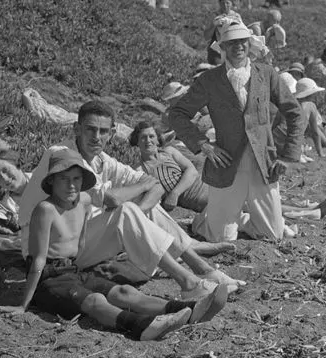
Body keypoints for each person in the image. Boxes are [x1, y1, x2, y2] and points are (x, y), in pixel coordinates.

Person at [0, 148, 228, 340]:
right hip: (48, 279)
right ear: (52, 182)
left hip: (73, 270)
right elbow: (37, 260)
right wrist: (23, 304)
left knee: (123, 291)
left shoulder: (85, 201)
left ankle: (185, 311)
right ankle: (141, 326)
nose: (71, 186)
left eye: (76, 179)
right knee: (95, 301)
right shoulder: (45, 210)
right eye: (64, 180)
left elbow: (83, 241)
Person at [40, 100, 244, 295]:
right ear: (76, 128)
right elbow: (111, 198)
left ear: (112, 133)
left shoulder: (103, 160)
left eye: (103, 131)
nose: (96, 137)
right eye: (90, 129)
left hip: (86, 236)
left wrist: (140, 207)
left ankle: (203, 269)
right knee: (128, 210)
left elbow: (155, 185)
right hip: (58, 250)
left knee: (140, 207)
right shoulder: (64, 155)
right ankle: (189, 283)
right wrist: (137, 200)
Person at [167, 20, 304, 242]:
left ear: (250, 44)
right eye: (231, 43)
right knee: (220, 239)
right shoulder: (208, 80)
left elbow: (295, 112)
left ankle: (235, 219)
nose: (238, 47)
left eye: (242, 42)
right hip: (226, 165)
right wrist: (203, 145)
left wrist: (288, 157)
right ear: (222, 47)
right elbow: (178, 114)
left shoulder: (267, 74)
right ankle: (206, 220)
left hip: (263, 164)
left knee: (272, 236)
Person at [129, 121, 326, 229]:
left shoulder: (169, 152)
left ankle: (306, 208)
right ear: (137, 142)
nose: (148, 141)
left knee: (255, 198)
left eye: (151, 136)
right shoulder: (139, 170)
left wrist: (174, 193)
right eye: (143, 137)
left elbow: (190, 171)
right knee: (251, 205)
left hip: (209, 185)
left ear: (157, 138)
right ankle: (307, 213)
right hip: (200, 199)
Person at [272, 78, 326, 159]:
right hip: (292, 143)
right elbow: (315, 133)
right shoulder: (310, 106)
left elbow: (274, 125)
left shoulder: (287, 103)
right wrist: (321, 153)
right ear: (311, 95)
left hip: (277, 142)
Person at [203, 0, 243, 66]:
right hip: (217, 50)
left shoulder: (236, 16)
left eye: (227, 3)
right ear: (219, 4)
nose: (225, 6)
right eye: (222, 3)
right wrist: (214, 25)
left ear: (231, 4)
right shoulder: (214, 16)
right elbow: (206, 36)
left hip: (232, 48)